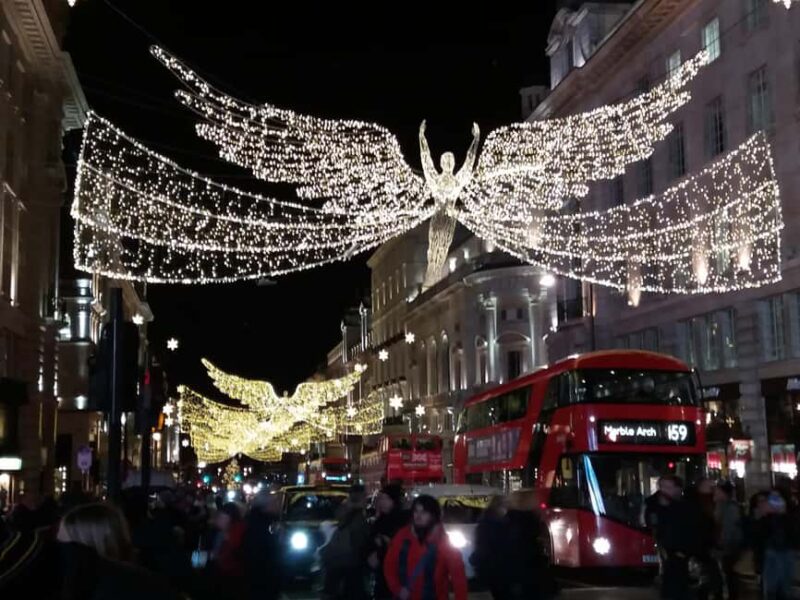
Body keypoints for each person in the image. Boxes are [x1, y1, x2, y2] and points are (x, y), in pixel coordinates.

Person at [383, 494, 467, 600]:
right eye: (416, 511)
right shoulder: (403, 536)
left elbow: (458, 578)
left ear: (433, 515)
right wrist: (397, 589)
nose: (418, 516)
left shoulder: (443, 542)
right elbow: (389, 564)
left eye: (424, 512)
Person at [321, 484, 371, 600]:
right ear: (361, 496)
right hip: (351, 561)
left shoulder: (344, 510)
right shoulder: (357, 515)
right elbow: (360, 540)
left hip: (337, 559)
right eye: (365, 496)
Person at [653, 475, 698, 600]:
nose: (664, 490)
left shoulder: (686, 507)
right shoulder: (656, 506)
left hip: (681, 556)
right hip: (669, 556)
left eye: (669, 487)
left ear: (678, 489)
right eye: (662, 487)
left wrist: (684, 551)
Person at [368, 484, 408, 600]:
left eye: (386, 499)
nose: (382, 502)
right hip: (381, 574)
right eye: (381, 498)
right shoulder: (380, 520)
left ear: (394, 501)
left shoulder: (401, 520)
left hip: (397, 574)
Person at [242, 489, 282, 600]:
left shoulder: (263, 522)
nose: (278, 505)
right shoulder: (260, 525)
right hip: (261, 583)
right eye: (274, 503)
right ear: (266, 506)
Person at [755, 492, 795, 600]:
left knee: (776, 589)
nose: (761, 505)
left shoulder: (774, 521)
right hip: (774, 555)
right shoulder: (769, 520)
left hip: (776, 555)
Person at [471, 495, 511, 600]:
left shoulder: (486, 520)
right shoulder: (495, 522)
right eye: (505, 505)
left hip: (493, 567)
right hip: (495, 567)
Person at [209, 502, 247, 600]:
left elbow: (230, 557)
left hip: (231, 579)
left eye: (221, 516)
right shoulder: (217, 532)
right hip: (220, 577)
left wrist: (213, 557)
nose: (218, 519)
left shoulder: (237, 533)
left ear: (230, 518)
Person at [714, 480, 743, 600]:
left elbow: (729, 528)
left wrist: (722, 544)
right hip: (726, 547)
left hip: (730, 548)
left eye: (717, 490)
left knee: (730, 576)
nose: (714, 493)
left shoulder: (730, 508)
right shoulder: (721, 506)